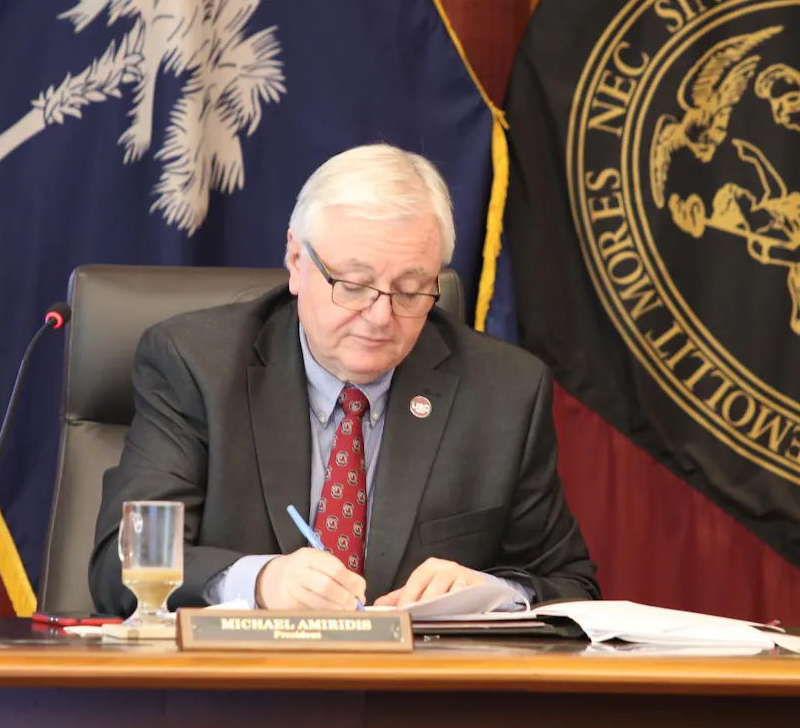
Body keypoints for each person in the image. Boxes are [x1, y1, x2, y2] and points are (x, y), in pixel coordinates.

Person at [89, 143, 598, 613]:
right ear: (295, 261)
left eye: (410, 289)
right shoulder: (195, 366)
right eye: (354, 286)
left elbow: (569, 582)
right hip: (234, 694)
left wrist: (490, 592)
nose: (380, 317)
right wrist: (260, 581)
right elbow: (121, 565)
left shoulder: (503, 391)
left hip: (420, 700)